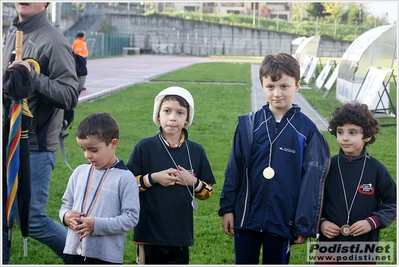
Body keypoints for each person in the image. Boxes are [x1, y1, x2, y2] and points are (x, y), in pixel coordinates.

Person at [218, 53, 330, 264]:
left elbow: (312, 181)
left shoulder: (308, 131)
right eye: (270, 86)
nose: (277, 93)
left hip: (282, 221)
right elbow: (234, 169)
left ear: (297, 85)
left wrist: (303, 224)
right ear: (262, 85)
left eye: (284, 86)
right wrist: (228, 209)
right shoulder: (249, 125)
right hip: (246, 217)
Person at [2, 2, 79, 264]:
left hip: (34, 146)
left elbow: (70, 95)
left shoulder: (54, 41)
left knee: (32, 221)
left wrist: (32, 77)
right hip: (7, 140)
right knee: (4, 216)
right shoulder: (13, 30)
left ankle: (82, 258)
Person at [126, 86, 216, 264]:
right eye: (167, 111)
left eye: (180, 112)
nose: (173, 117)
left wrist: (193, 182)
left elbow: (208, 191)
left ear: (188, 119)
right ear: (158, 115)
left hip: (180, 236)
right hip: (149, 234)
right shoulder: (145, 148)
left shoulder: (196, 151)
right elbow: (127, 186)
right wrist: (154, 178)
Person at [317, 101, 396, 264]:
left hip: (364, 246)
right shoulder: (327, 167)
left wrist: (372, 222)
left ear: (367, 135)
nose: (344, 137)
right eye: (340, 132)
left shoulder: (376, 169)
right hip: (329, 246)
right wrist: (321, 223)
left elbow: (392, 202)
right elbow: (312, 202)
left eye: (352, 132)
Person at [59, 112, 140, 264]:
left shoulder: (125, 178)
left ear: (113, 143)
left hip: (105, 256)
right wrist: (66, 216)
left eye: (93, 150)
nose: (87, 155)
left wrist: (96, 224)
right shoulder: (79, 172)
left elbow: (130, 218)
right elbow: (66, 204)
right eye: (83, 149)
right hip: (72, 251)